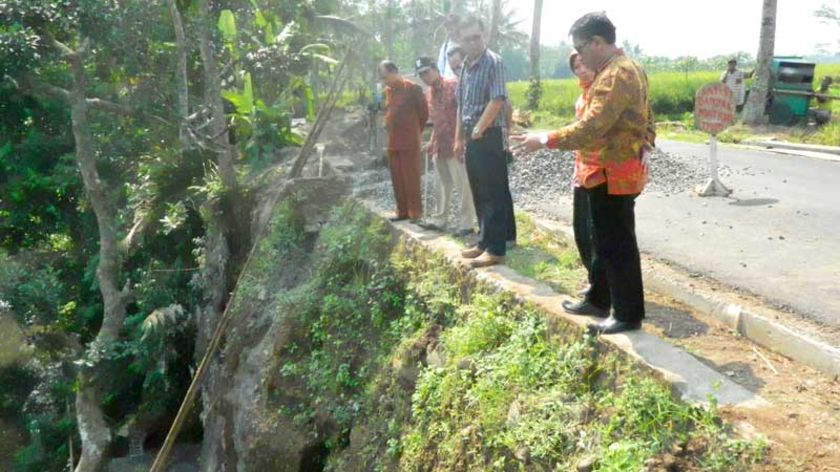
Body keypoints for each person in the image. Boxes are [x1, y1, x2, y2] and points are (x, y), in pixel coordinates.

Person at [512, 12, 655, 335]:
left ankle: (627, 313)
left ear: (597, 42)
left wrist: (545, 139)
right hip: (602, 170)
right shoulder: (617, 69)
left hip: (612, 170)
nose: (580, 55)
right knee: (602, 239)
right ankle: (600, 298)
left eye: (582, 46)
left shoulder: (617, 74)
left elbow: (592, 126)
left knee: (616, 242)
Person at [455, 15, 516, 268]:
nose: (473, 42)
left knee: (493, 192)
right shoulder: (466, 66)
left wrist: (480, 128)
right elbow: (461, 104)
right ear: (461, 40)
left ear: (485, 35)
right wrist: (460, 138)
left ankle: (496, 248)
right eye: (468, 39)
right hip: (472, 136)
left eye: (477, 37)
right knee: (478, 190)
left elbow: (498, 98)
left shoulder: (493, 62)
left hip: (489, 135)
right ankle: (483, 241)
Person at [416, 56, 476, 236]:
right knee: (442, 184)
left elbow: (464, 113)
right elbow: (437, 121)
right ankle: (440, 219)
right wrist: (431, 141)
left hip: (455, 143)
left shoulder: (453, 85)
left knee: (462, 184)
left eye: (426, 72)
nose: (425, 77)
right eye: (421, 75)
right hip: (440, 145)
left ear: (435, 69)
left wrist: (462, 139)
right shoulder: (430, 94)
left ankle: (467, 224)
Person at [380, 60, 429, 222]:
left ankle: (415, 212)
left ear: (394, 72)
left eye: (385, 76)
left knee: (411, 177)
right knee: (397, 178)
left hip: (409, 140)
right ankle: (402, 211)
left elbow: (424, 114)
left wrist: (415, 131)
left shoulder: (412, 89)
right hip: (393, 141)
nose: (384, 80)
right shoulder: (388, 91)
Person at [568, 51, 597, 294]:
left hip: (600, 172)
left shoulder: (603, 95)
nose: (582, 70)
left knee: (597, 233)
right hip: (581, 169)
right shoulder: (582, 97)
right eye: (577, 67)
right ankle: (593, 278)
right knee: (581, 229)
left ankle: (599, 285)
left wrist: (546, 139)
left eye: (585, 64)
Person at [437, 13, 461, 78]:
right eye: (447, 29)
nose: (450, 32)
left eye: (452, 28)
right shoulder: (445, 47)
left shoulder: (466, 45)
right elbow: (440, 69)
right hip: (447, 85)